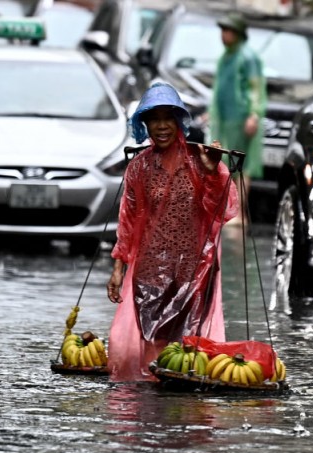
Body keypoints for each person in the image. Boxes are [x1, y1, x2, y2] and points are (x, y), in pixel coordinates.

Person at [106, 82, 240, 382]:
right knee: (153, 341)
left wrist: (211, 171)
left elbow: (223, 209)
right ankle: (152, 409)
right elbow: (127, 223)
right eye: (154, 119)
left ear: (179, 122)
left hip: (194, 267)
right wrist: (118, 269)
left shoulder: (199, 160)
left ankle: (180, 414)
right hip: (151, 268)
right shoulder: (139, 168)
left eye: (168, 118)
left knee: (186, 345)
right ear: (145, 124)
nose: (162, 126)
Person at [208, 12, 266, 227]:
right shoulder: (226, 58)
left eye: (229, 30)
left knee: (241, 165)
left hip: (242, 119)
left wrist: (254, 113)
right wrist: (211, 112)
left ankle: (239, 214)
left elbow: (255, 87)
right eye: (223, 30)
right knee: (225, 164)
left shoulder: (247, 57)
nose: (224, 35)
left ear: (239, 33)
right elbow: (219, 90)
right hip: (225, 120)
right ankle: (228, 211)